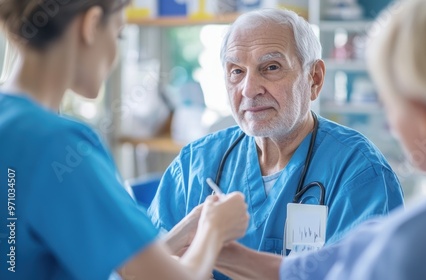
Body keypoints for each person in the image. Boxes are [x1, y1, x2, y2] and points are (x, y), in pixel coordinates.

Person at [212, 0, 426, 279]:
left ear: (424, 121)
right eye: (236, 71)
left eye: (388, 102)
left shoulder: (420, 237)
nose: (249, 89)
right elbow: (327, 268)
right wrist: (208, 246)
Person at [0, 1, 249, 279]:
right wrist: (215, 231)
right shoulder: (58, 146)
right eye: (118, 34)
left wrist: (185, 231)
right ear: (91, 24)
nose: (116, 54)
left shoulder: (13, 123)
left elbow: (126, 267)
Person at [148, 8, 404, 279]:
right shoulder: (194, 165)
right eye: (236, 71)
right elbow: (142, 269)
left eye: (270, 68)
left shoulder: (359, 173)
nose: (249, 89)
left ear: (314, 78)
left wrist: (207, 252)